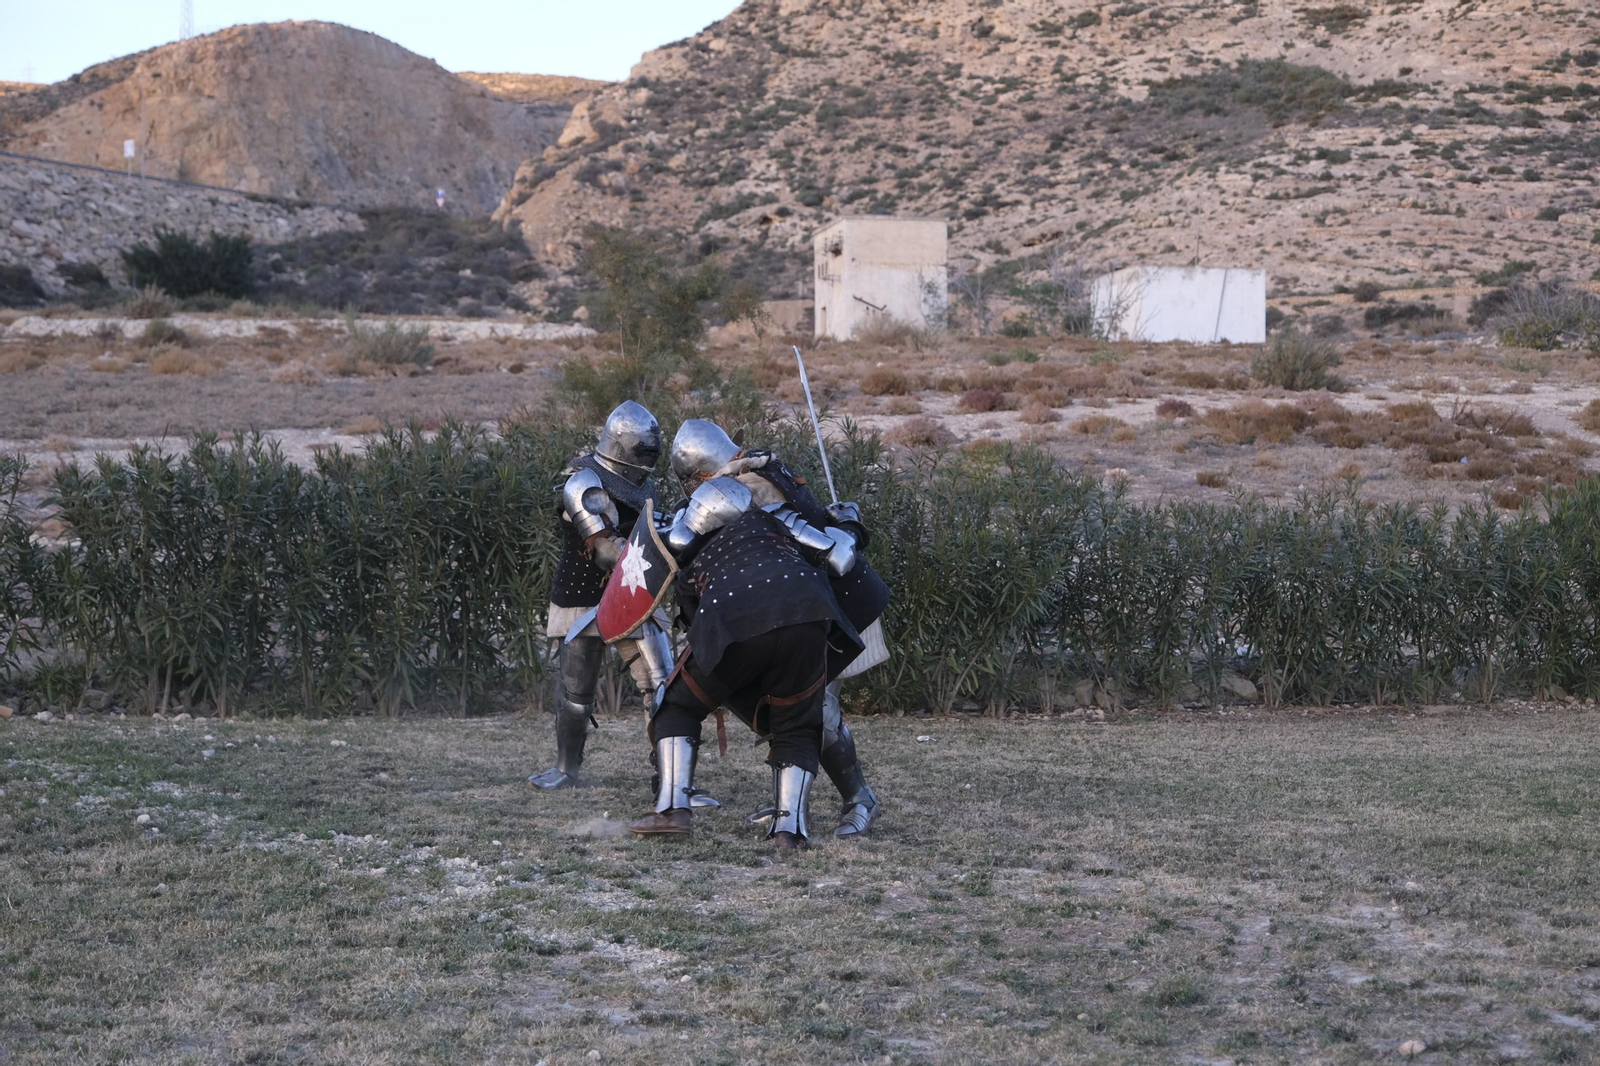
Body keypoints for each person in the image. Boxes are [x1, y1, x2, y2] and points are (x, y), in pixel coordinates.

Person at [667, 419, 890, 837]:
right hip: (791, 607)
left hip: (835, 604)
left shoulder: (749, 486)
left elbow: (832, 550)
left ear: (699, 474)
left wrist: (849, 529)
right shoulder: (756, 471)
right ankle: (788, 810)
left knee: (815, 711)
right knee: (786, 707)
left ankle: (860, 798)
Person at [628, 474, 864, 850]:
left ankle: (673, 810)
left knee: (675, 706)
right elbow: (840, 556)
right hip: (807, 612)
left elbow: (675, 590)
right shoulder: (779, 518)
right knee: (797, 726)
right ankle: (789, 831)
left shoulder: (686, 534)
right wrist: (850, 522)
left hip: (735, 616)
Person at [529, 400, 674, 790]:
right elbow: (608, 549)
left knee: (662, 685)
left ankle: (671, 779)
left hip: (634, 592)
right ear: (621, 444)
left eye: (650, 451)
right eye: (641, 449)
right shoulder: (583, 482)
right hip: (584, 593)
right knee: (576, 694)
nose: (646, 458)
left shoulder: (644, 485)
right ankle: (565, 769)